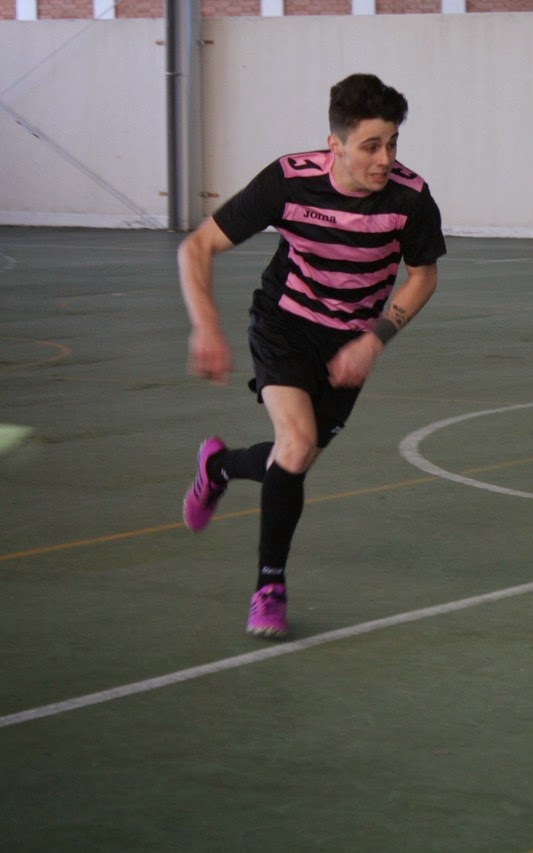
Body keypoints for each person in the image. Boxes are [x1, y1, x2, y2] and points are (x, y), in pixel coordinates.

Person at [178, 73, 446, 640]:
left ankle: (218, 467)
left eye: (392, 143)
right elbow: (197, 246)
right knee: (296, 445)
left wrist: (374, 339)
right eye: (370, 146)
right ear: (335, 146)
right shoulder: (289, 183)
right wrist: (206, 327)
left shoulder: (410, 198)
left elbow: (423, 276)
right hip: (286, 326)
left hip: (351, 342)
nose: (384, 159)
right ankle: (269, 588)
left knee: (292, 460)